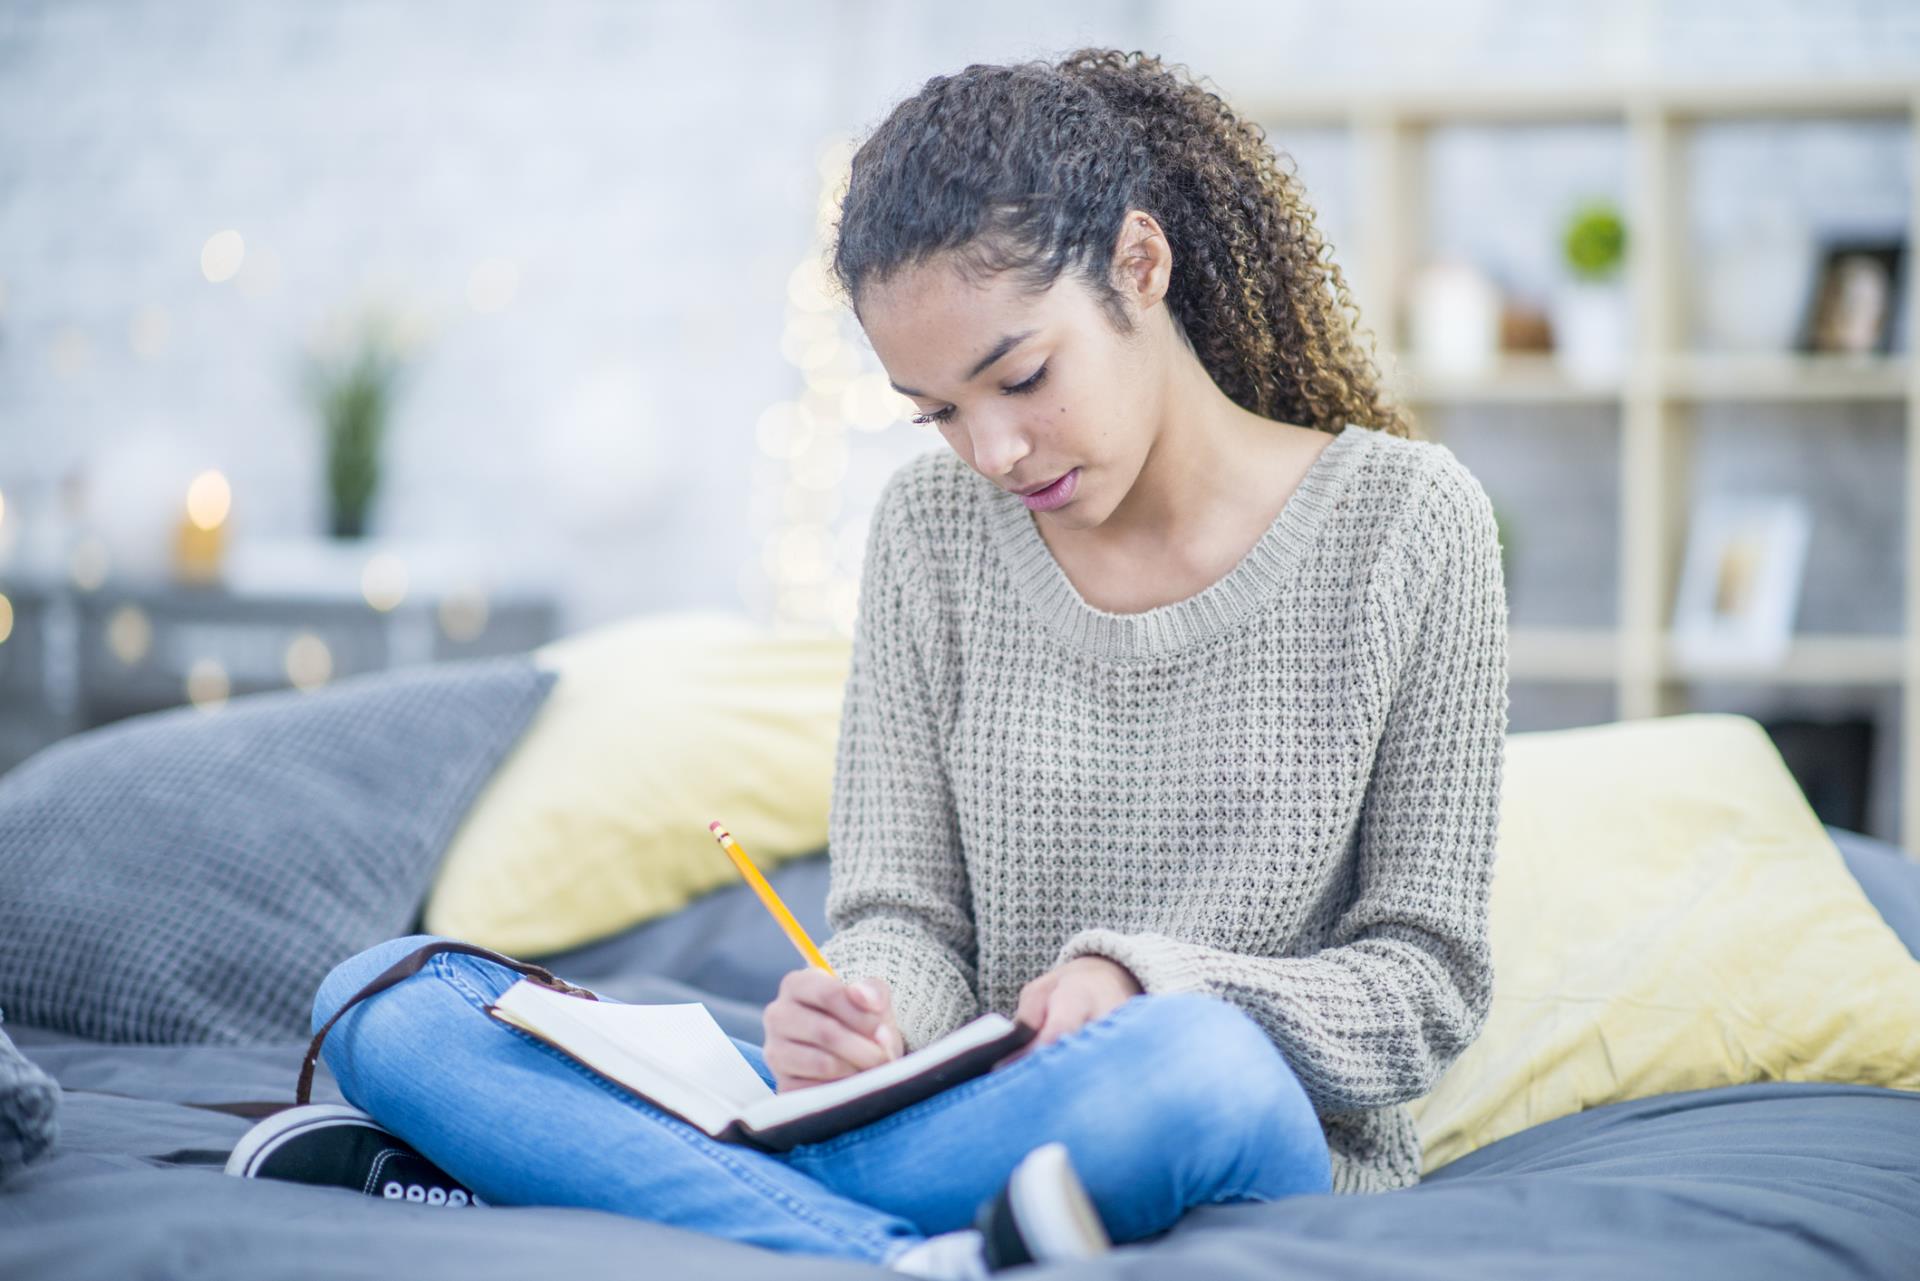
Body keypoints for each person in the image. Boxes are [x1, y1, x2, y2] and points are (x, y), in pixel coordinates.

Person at [226, 47, 1509, 1279]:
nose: (993, 453)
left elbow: (1427, 986)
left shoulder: (1411, 526)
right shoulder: (930, 535)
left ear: (1141, 261)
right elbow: (900, 915)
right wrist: (873, 1015)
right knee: (393, 998)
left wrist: (1144, 984)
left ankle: (608, 1181)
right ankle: (908, 1257)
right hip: (944, 1123)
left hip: (1194, 1116)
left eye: (1022, 377)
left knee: (1196, 1062)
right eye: (940, 412)